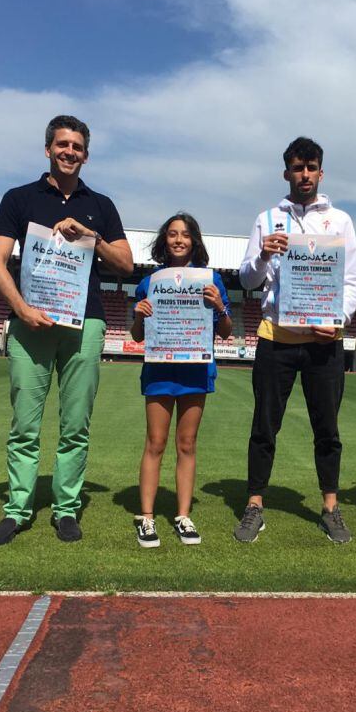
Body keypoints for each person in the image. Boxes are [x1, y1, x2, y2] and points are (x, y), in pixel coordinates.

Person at [0, 115, 133, 545]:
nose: (70, 152)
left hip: (84, 322)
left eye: (78, 147)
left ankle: (66, 510)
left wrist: (91, 236)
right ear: (48, 148)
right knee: (24, 425)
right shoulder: (19, 198)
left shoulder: (100, 205)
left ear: (86, 154)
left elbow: (124, 263)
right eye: (63, 144)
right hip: (31, 324)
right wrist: (21, 309)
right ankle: (17, 509)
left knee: (75, 425)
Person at [234, 136, 356, 543]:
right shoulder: (267, 218)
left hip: (323, 342)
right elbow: (247, 280)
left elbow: (352, 279)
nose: (304, 174)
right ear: (286, 171)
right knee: (264, 427)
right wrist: (264, 256)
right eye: (297, 167)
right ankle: (254, 504)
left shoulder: (339, 221)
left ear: (320, 173)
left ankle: (330, 507)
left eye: (311, 168)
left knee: (327, 429)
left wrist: (339, 319)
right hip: (276, 338)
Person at [130, 212, 233, 548]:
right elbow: (138, 336)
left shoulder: (211, 280)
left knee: (187, 445)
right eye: (172, 234)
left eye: (185, 235)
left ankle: (183, 515)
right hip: (160, 370)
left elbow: (226, 332)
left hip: (195, 370)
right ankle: (146, 518)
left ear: (195, 241)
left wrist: (220, 307)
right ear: (164, 241)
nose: (178, 240)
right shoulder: (150, 281)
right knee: (155, 443)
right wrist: (138, 316)